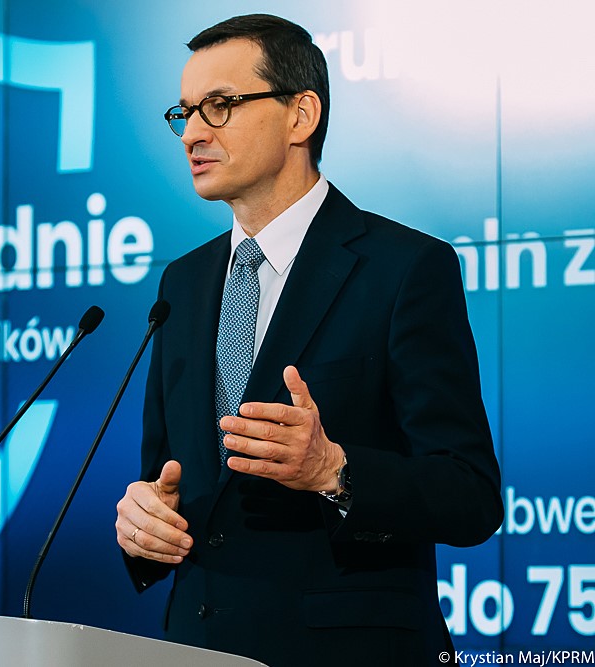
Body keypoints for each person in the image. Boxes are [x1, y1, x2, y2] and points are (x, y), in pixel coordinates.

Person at [114, 14, 502, 667]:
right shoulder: (181, 282)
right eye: (185, 112)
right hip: (197, 648)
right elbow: (168, 479)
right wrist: (145, 524)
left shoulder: (404, 268)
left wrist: (334, 470)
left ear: (301, 115)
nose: (194, 133)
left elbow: (470, 496)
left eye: (220, 105)